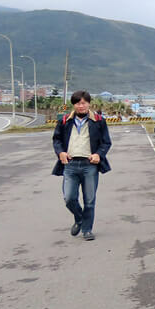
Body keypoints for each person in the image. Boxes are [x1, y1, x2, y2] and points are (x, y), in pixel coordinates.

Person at [52, 91, 112, 241]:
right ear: (74, 104)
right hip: (70, 165)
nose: (81, 106)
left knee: (90, 200)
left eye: (84, 103)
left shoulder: (98, 121)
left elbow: (106, 142)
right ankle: (79, 218)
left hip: (89, 165)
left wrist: (99, 154)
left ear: (89, 104)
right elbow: (57, 139)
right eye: (78, 103)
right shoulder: (65, 120)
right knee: (69, 198)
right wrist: (60, 153)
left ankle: (87, 230)